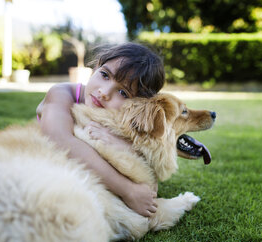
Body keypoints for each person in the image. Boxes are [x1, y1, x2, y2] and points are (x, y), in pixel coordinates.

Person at [36, 42, 165, 217]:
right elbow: (58, 139)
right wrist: (128, 190)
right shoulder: (62, 93)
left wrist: (118, 143)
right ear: (96, 66)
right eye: (105, 75)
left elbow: (147, 156)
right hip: (47, 166)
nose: (104, 92)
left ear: (137, 105)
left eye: (123, 93)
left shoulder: (123, 117)